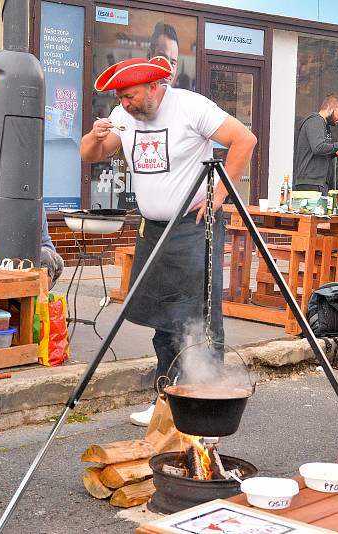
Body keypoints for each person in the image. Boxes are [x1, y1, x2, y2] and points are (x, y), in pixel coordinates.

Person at [80, 57, 256, 426]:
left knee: (198, 315)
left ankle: (203, 398)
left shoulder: (191, 106)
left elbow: (244, 139)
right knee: (164, 318)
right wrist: (94, 137)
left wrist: (220, 193)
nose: (124, 104)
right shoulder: (125, 115)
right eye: (120, 98)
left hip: (194, 226)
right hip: (153, 227)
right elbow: (92, 155)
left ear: (154, 88)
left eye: (130, 97)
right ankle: (165, 399)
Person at [293, 94, 338, 194]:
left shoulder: (323, 124)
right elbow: (318, 147)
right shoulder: (316, 121)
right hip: (310, 184)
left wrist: (334, 152)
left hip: (317, 183)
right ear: (329, 108)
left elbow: (317, 151)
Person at [148, 22, 179, 87]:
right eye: (163, 59)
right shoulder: (134, 94)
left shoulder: (181, 97)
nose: (169, 70)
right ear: (150, 55)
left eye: (173, 63)